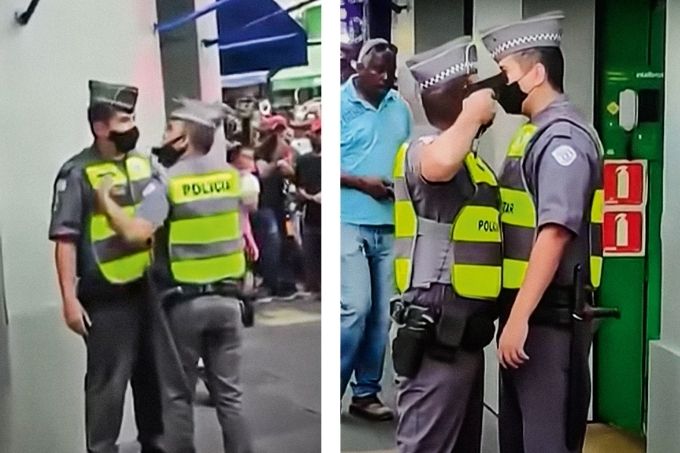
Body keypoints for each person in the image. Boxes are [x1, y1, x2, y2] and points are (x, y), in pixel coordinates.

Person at [95, 98, 253, 453]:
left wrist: (106, 201)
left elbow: (137, 233)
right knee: (230, 397)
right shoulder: (229, 179)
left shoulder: (167, 182)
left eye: (169, 129)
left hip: (185, 306)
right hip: (230, 303)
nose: (162, 134)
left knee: (177, 397)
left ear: (182, 141)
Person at [481, 11, 605, 453]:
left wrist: (518, 320)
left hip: (547, 318)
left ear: (536, 74)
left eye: (507, 73)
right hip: (528, 311)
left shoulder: (562, 141)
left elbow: (554, 233)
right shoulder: (531, 135)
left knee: (544, 441)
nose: (501, 85)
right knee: (519, 439)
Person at [391, 36, 501, 453]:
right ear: (457, 98)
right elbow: (437, 168)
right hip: (437, 325)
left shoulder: (470, 160)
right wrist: (471, 117)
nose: (485, 96)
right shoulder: (424, 149)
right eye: (472, 88)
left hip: (466, 331)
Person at [48, 80, 164, 453]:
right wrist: (69, 298)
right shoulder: (77, 172)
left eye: (132, 117)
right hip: (106, 297)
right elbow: (64, 238)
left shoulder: (142, 163)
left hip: (147, 290)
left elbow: (154, 221)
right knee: (107, 388)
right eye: (123, 118)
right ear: (100, 127)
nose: (132, 125)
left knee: (153, 382)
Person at [340, 38, 412, 420]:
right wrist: (359, 182)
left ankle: (365, 394)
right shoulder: (339, 106)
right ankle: (334, 386)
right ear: (357, 65)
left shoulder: (400, 109)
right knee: (355, 308)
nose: (384, 77)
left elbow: (409, 158)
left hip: (390, 223)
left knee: (382, 315)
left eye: (390, 70)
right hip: (348, 220)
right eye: (376, 69)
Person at [251, 116, 298, 299]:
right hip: (265, 205)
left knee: (286, 242)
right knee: (271, 244)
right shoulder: (260, 153)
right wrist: (276, 165)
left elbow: (294, 174)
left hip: (281, 205)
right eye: (276, 131)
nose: (279, 135)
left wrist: (288, 167)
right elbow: (261, 172)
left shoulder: (289, 151)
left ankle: (286, 283)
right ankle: (270, 282)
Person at [295, 118, 322, 295]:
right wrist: (309, 197)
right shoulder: (304, 161)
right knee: (311, 255)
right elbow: (298, 186)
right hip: (311, 216)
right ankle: (314, 288)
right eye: (317, 133)